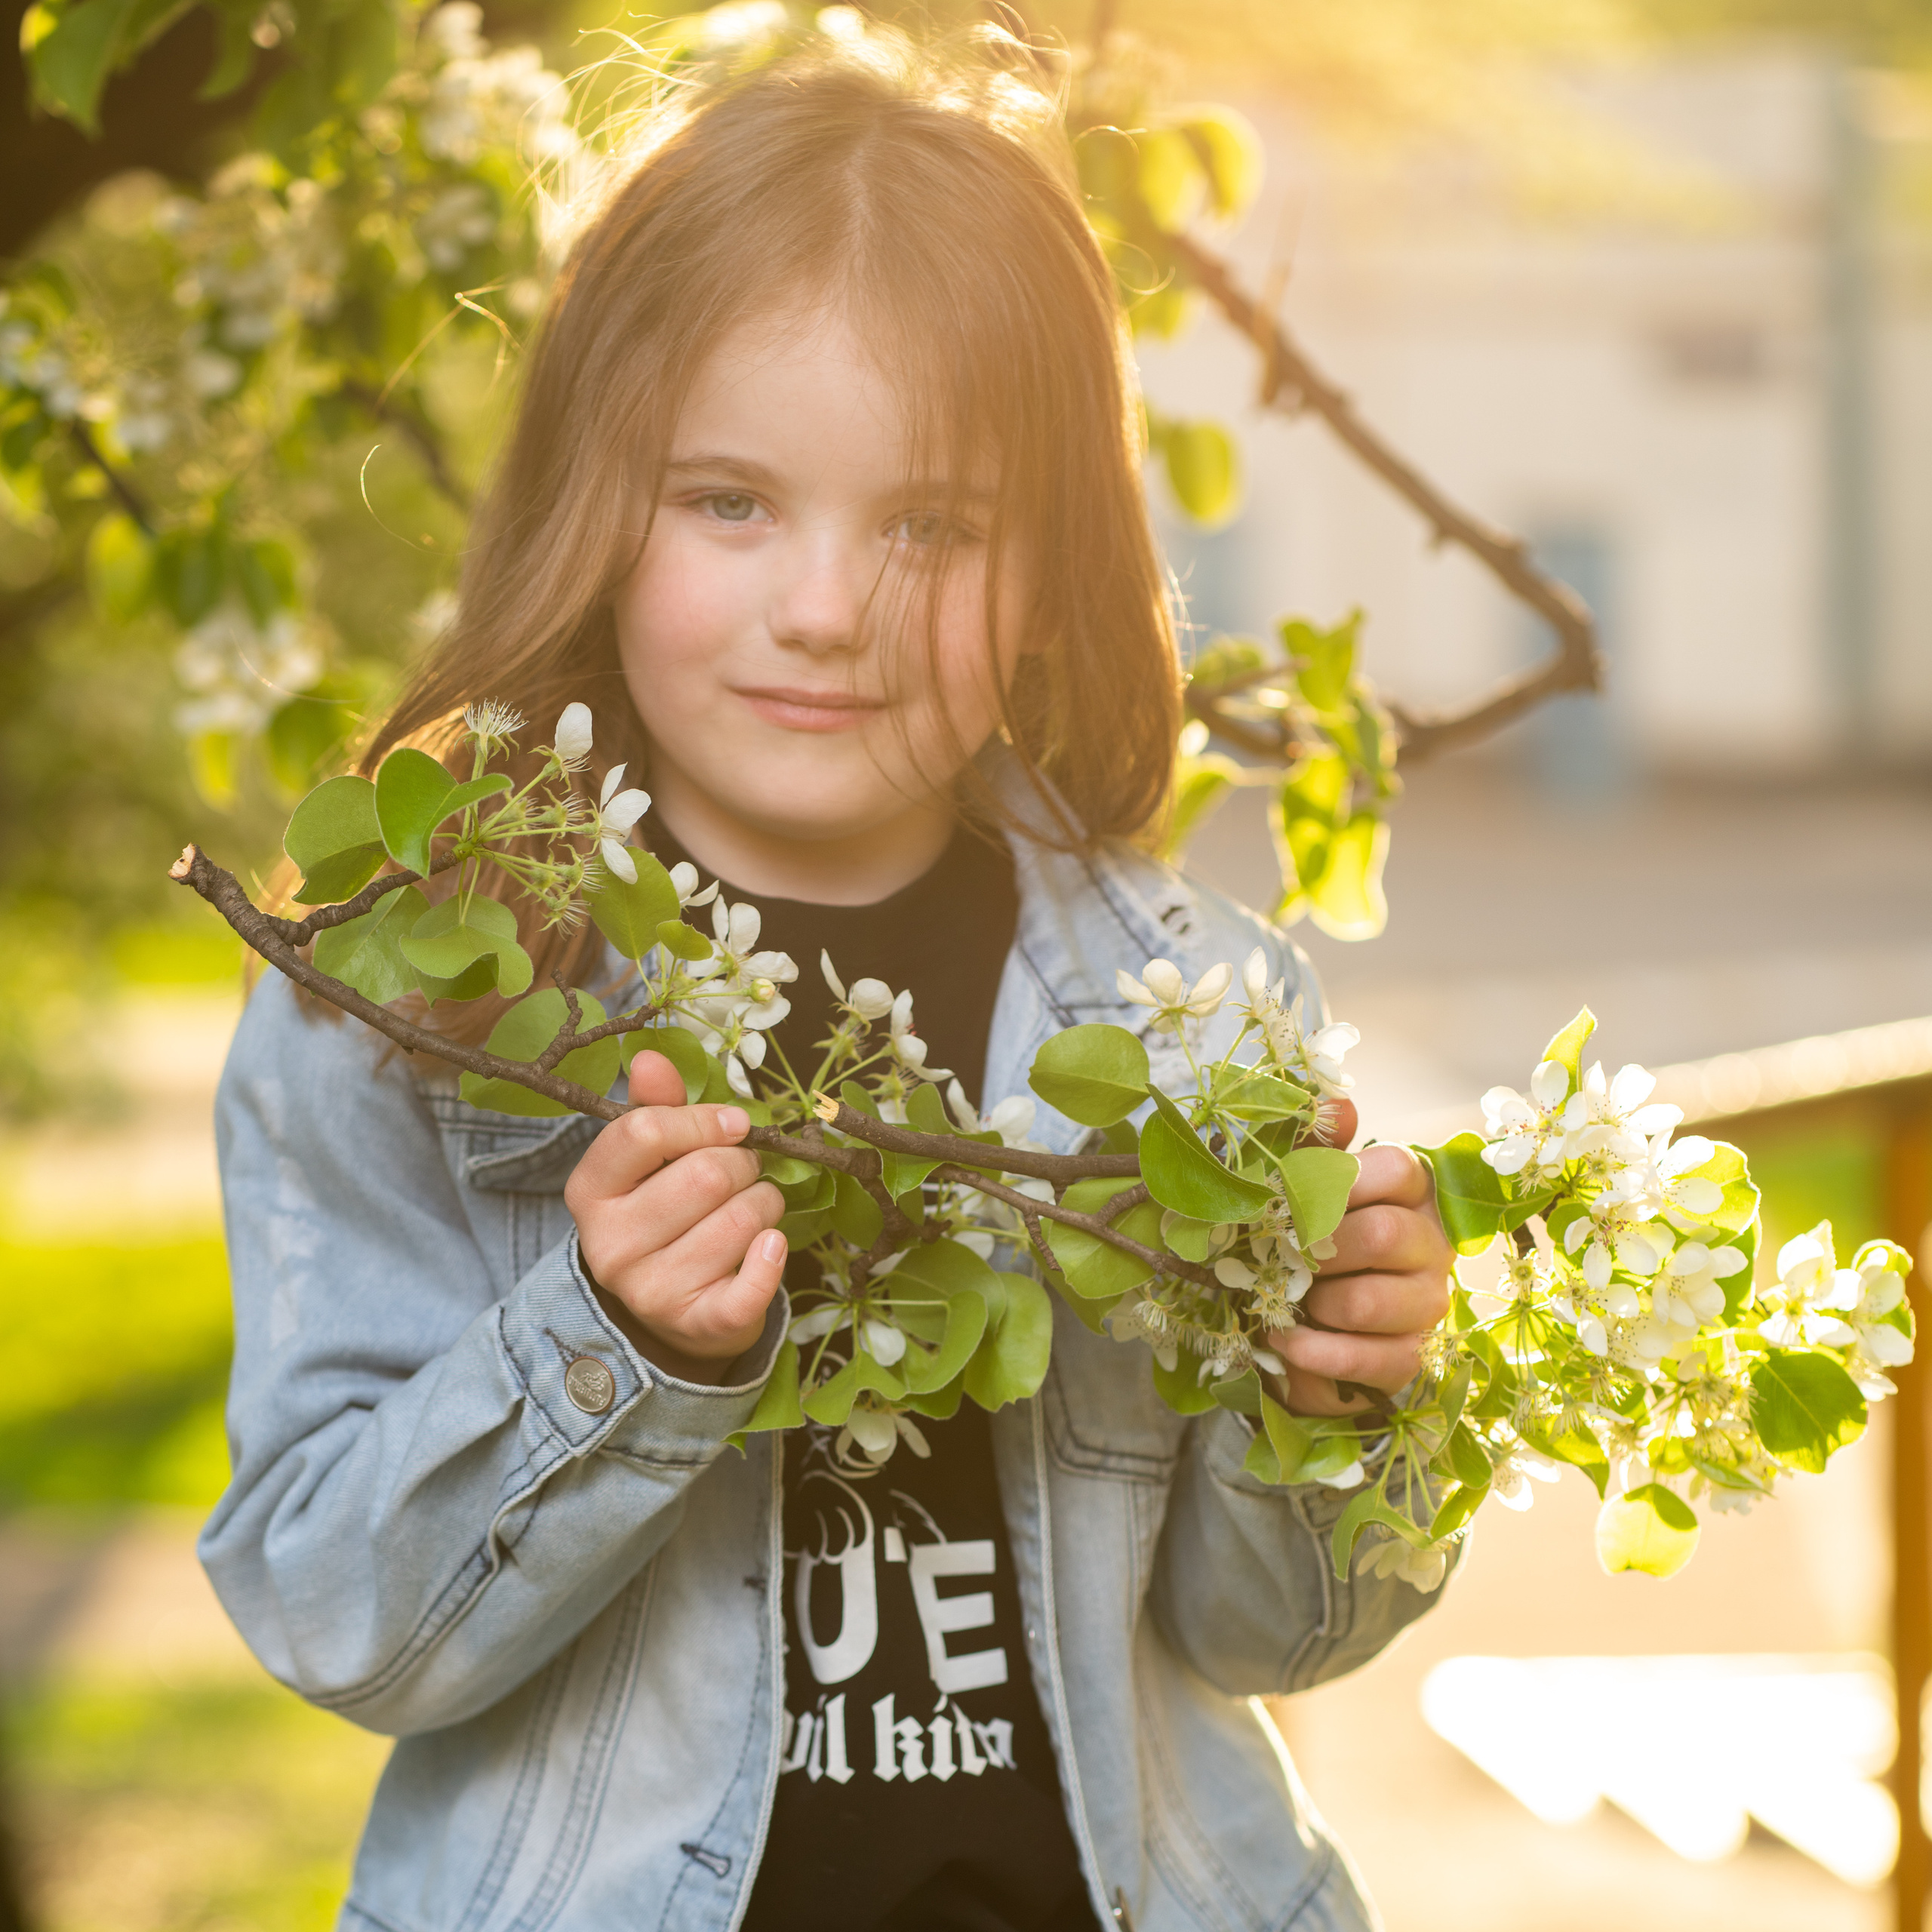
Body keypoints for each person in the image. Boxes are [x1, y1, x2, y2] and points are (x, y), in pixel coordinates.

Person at [202, 27, 1454, 1932]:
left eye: (932, 526)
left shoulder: (1189, 1010)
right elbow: (334, 1615)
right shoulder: (408, 1005)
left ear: (1053, 561)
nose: (822, 607)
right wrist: (613, 1349)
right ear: (591, 501)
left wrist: (1342, 1395)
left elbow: (1265, 1633)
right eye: (728, 501)